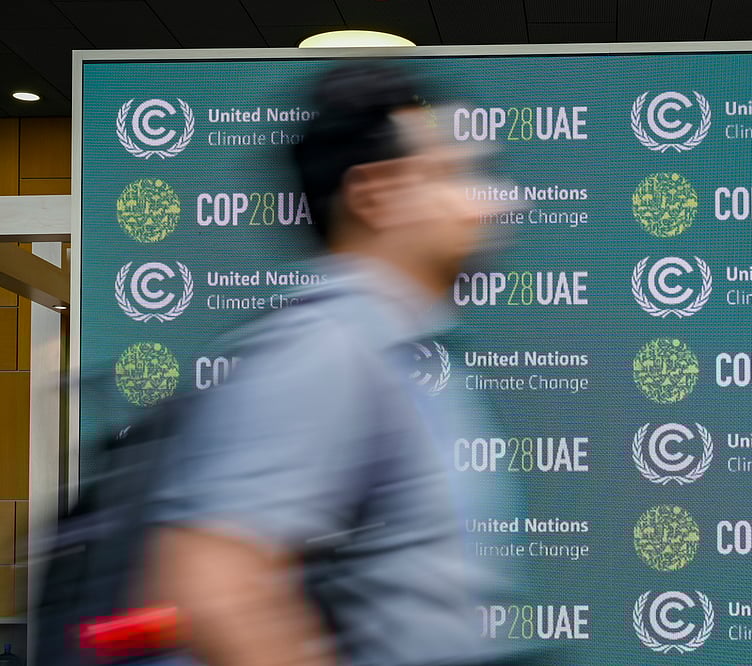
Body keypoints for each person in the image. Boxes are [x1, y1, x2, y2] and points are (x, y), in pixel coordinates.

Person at [142, 61, 524, 666]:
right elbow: (215, 586)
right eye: (453, 174)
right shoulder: (324, 348)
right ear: (375, 196)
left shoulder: (396, 352)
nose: (499, 203)